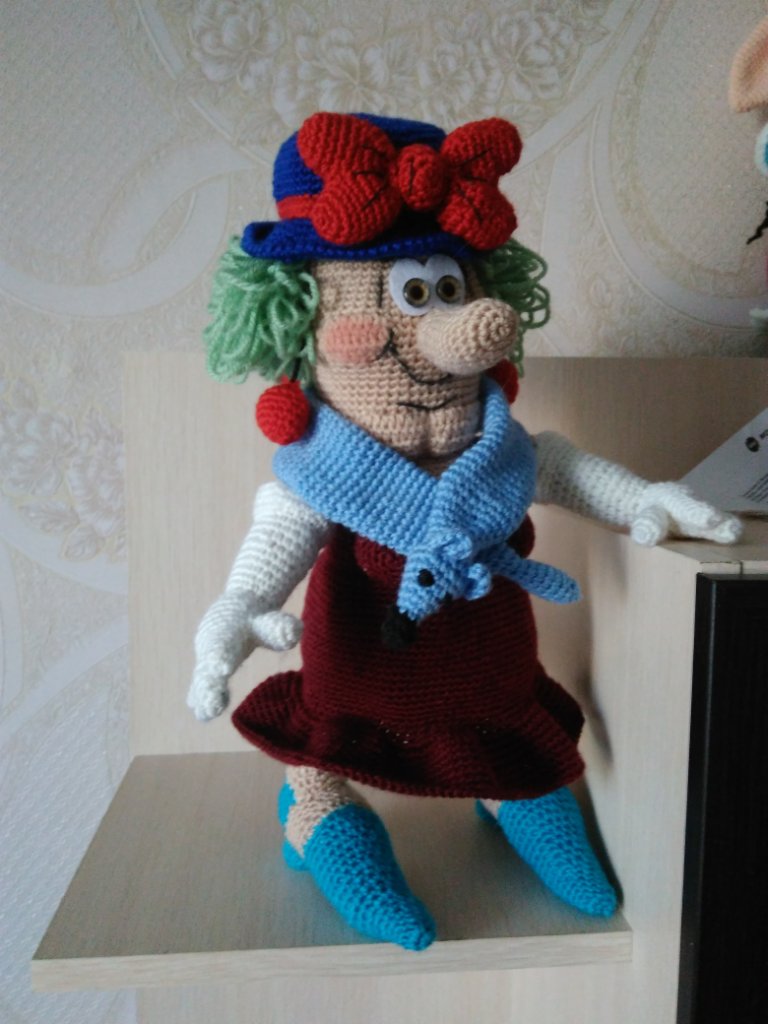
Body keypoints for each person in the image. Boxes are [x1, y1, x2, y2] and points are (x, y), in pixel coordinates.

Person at [187, 112, 741, 951]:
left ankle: (507, 789)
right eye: (411, 295)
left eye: (450, 288)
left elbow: (559, 467)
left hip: (486, 678)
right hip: (358, 676)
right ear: (307, 322)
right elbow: (278, 539)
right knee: (328, 760)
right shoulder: (320, 471)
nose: (459, 330)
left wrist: (642, 496)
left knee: (529, 779)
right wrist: (236, 609)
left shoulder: (500, 453)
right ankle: (313, 803)